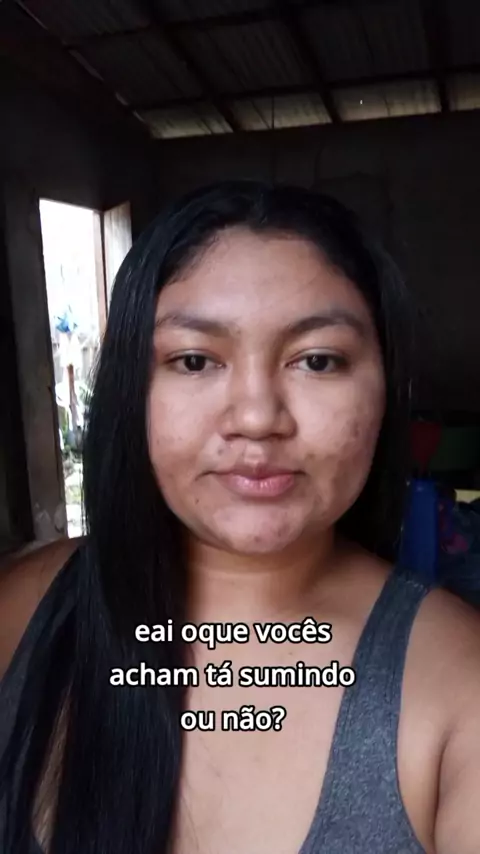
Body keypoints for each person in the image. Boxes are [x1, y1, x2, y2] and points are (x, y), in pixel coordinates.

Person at [1, 181, 479, 854]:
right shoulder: (25, 610)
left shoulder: (460, 683)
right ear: (132, 390)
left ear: (387, 387)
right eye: (194, 360)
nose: (256, 417)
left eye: (317, 360)